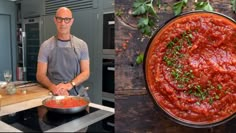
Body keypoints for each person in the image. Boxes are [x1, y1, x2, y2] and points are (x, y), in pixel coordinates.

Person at [36, 7, 90, 132]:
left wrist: (69, 85)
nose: (63, 23)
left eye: (66, 19)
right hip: (54, 97)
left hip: (77, 96)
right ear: (55, 20)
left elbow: (86, 72)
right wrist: (54, 87)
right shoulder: (46, 46)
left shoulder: (81, 45)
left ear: (72, 21)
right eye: (60, 19)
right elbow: (40, 75)